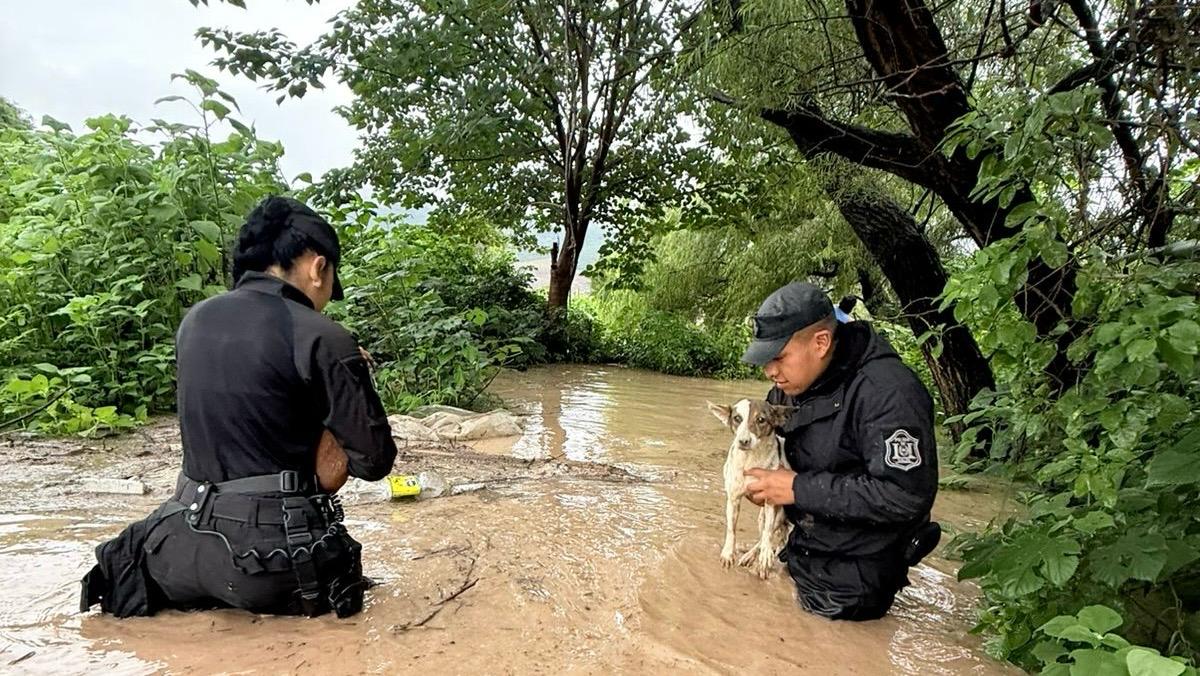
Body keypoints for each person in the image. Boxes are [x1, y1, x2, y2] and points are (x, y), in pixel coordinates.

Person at [81, 196, 397, 619]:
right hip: (269, 564)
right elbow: (373, 462)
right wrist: (346, 379)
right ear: (317, 267)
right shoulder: (322, 336)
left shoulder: (195, 320)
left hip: (180, 548)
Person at [741, 282, 940, 621]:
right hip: (805, 550)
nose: (769, 371)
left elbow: (904, 496)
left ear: (820, 343)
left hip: (855, 582)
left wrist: (796, 489)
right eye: (765, 360)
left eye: (778, 357)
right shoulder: (791, 384)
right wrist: (761, 484)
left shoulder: (889, 393)